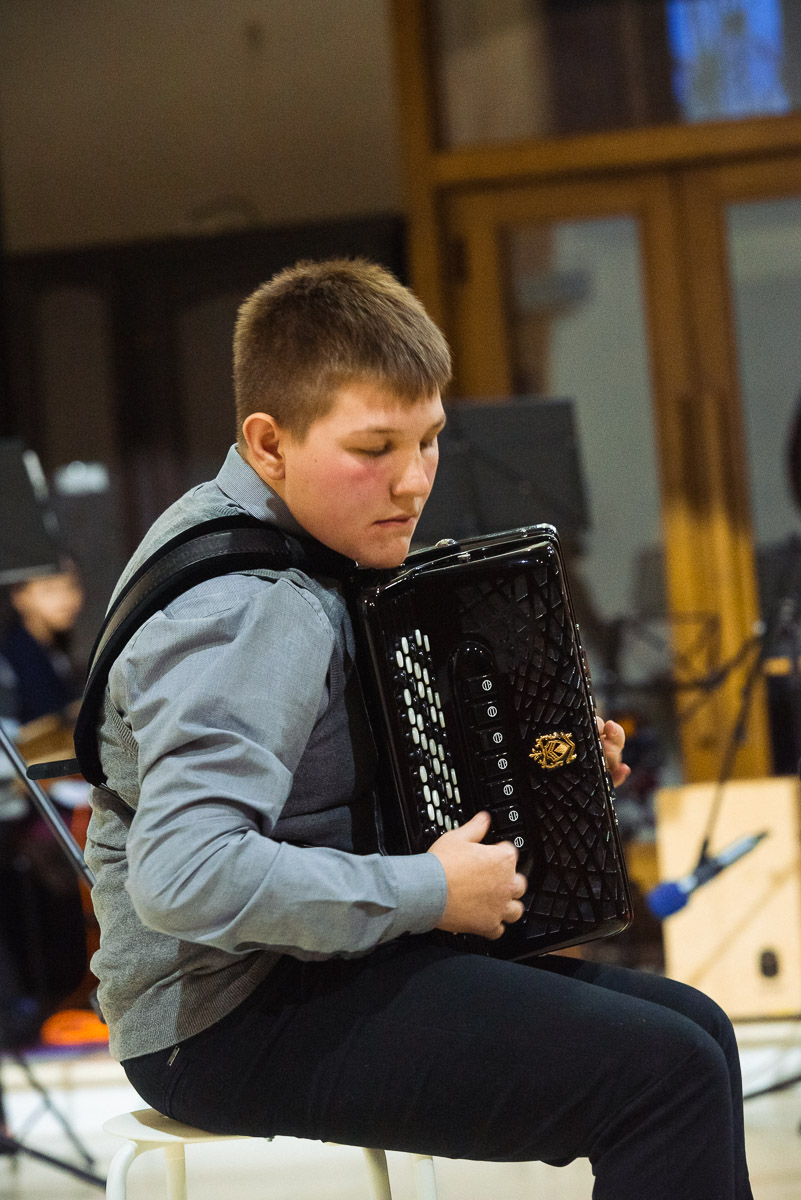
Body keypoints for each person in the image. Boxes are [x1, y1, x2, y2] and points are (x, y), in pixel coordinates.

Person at [85, 260, 752, 1200]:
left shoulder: (285, 532)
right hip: (223, 1019)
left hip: (311, 967)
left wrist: (540, 765)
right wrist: (428, 890)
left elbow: (336, 778)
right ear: (269, 443)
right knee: (665, 1077)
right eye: (373, 449)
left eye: (431, 440)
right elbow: (185, 875)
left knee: (700, 1036)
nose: (412, 483)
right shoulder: (248, 608)